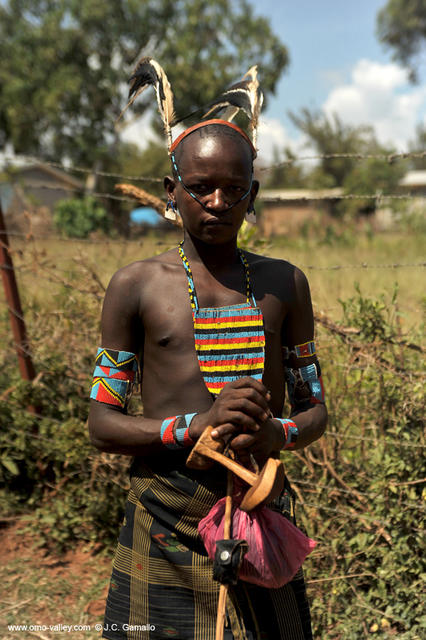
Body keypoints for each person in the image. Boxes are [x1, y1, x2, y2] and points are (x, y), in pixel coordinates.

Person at [89, 62, 327, 640]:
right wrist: (194, 427)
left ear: (254, 195)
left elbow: (314, 409)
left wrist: (280, 434)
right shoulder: (136, 285)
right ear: (172, 193)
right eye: (199, 188)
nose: (217, 201)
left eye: (233, 189)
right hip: (165, 518)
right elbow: (101, 424)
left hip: (258, 507)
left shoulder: (285, 284)